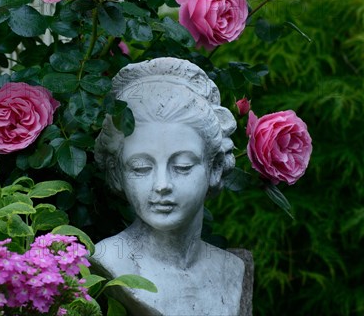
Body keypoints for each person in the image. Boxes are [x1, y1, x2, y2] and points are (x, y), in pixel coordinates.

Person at [92, 57, 249, 316]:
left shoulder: (231, 269)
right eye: (141, 168)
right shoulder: (105, 262)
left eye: (183, 166)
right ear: (116, 173)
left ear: (216, 167)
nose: (162, 185)